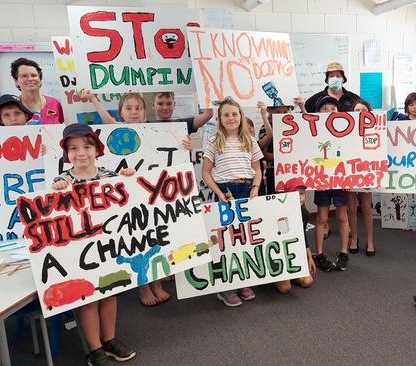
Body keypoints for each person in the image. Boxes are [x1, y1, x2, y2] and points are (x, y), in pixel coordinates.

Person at [79, 90, 189, 307]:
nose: (134, 112)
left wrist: (185, 147)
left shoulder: (156, 131)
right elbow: (106, 121)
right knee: (137, 240)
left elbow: (175, 150)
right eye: (128, 108)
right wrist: (93, 100)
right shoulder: (117, 131)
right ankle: (144, 286)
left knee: (157, 237)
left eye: (138, 108)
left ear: (145, 111)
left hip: (153, 194)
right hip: (129, 197)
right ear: (121, 112)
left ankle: (157, 282)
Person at [52, 124, 136, 366]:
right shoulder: (62, 181)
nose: (81, 153)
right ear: (67, 153)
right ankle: (95, 349)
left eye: (87, 147)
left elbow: (129, 202)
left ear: (96, 150)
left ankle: (109, 339)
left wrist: (129, 179)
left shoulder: (110, 177)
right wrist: (56, 190)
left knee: (110, 293)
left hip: (107, 247)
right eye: (74, 148)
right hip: (79, 252)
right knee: (88, 298)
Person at [202, 97, 263, 307]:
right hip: (225, 192)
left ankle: (244, 281)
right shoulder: (213, 142)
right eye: (226, 114)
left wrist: (255, 187)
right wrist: (218, 193)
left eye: (234, 114)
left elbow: (257, 169)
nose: (231, 118)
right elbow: (206, 172)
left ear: (241, 117)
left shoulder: (250, 141)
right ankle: (226, 288)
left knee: (245, 237)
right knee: (226, 239)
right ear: (219, 119)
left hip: (247, 189)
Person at [312, 95, 350, 272]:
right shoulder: (315, 131)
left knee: (342, 216)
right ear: (318, 113)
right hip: (321, 179)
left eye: (333, 108)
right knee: (322, 218)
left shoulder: (345, 130)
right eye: (325, 109)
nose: (329, 112)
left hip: (340, 178)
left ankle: (344, 252)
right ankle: (319, 253)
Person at [275, 178, 315, 294]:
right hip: (279, 254)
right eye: (294, 194)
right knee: (285, 288)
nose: (299, 197)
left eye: (301, 194)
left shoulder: (304, 214)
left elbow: (303, 236)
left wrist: (309, 257)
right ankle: (276, 278)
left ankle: (292, 273)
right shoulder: (278, 213)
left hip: (294, 253)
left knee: (307, 281)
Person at [348, 99, 376, 256]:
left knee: (366, 207)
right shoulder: (345, 129)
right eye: (357, 110)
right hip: (349, 172)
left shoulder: (374, 129)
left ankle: (370, 240)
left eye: (363, 110)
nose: (360, 113)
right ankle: (354, 238)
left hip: (366, 172)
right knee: (351, 208)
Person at [11, 57, 64, 124]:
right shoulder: (13, 106)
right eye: (24, 76)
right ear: (16, 81)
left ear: (40, 79)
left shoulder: (55, 104)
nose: (30, 79)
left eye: (34, 75)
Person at [149, 92, 213, 130]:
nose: (165, 107)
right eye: (160, 104)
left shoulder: (183, 124)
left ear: (174, 105)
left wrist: (205, 87)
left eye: (169, 104)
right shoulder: (145, 126)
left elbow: (207, 115)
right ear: (153, 105)